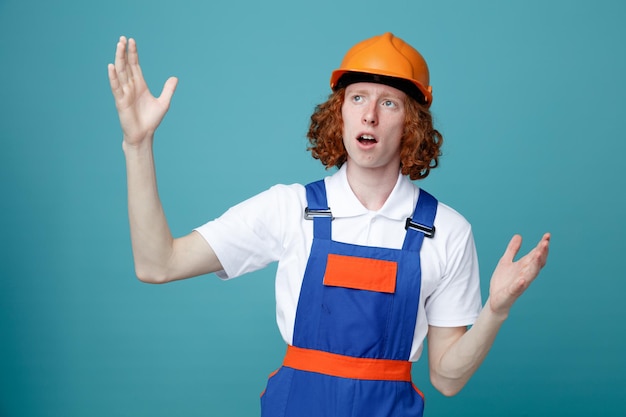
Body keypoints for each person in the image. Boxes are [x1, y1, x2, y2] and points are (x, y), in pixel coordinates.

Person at [108, 32, 550, 417]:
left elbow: (447, 378)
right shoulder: (289, 208)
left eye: (389, 102)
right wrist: (138, 144)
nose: (369, 114)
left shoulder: (447, 231)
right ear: (339, 112)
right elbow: (157, 264)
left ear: (411, 122)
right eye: (357, 97)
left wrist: (495, 310)